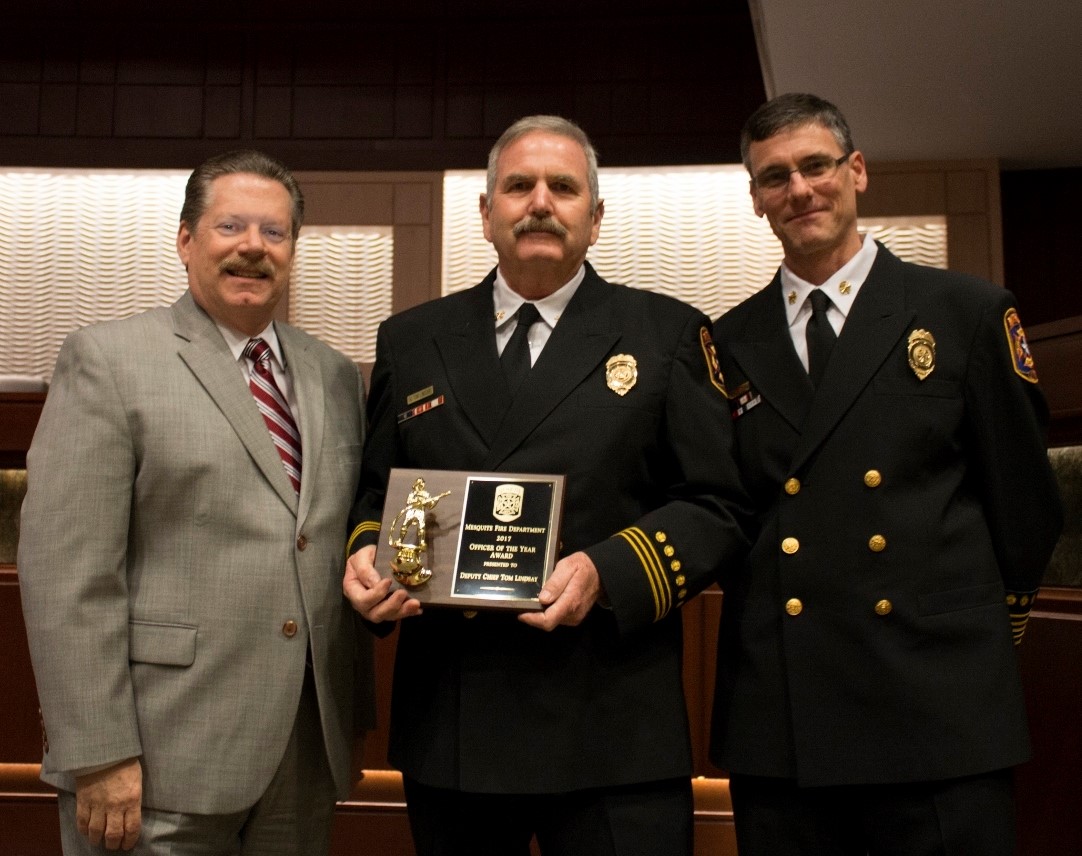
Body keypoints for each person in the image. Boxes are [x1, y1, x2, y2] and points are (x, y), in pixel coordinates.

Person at [342, 115, 750, 856]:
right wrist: (369, 558)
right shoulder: (412, 338)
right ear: (487, 212)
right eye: (518, 185)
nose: (539, 202)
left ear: (594, 219)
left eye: (563, 188)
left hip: (613, 725)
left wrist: (608, 568)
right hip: (455, 725)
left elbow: (718, 506)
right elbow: (375, 494)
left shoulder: (665, 334)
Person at [709, 93, 1064, 855]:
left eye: (815, 166)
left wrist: (970, 640)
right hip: (785, 717)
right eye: (775, 177)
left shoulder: (964, 311)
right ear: (755, 198)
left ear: (857, 171)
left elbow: (1026, 504)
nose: (799, 190)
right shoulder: (727, 343)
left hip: (935, 709)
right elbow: (730, 511)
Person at [18, 149, 372, 854]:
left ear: (293, 249)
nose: (253, 247)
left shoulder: (333, 374)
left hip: (303, 753)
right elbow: (67, 575)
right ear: (185, 240)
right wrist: (99, 752)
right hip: (156, 756)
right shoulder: (108, 360)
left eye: (274, 233)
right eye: (230, 226)